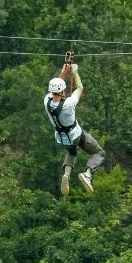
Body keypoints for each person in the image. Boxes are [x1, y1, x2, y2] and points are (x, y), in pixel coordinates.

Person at [45, 54, 105, 195]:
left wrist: (65, 69)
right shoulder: (69, 103)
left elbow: (58, 83)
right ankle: (88, 174)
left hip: (62, 138)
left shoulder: (46, 100)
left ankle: (66, 174)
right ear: (62, 90)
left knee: (71, 151)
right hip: (75, 135)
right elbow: (79, 87)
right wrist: (75, 71)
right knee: (98, 152)